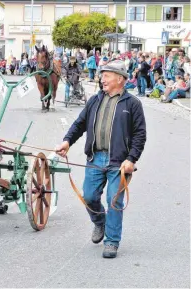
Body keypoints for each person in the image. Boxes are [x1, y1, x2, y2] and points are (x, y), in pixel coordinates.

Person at [56, 60, 147, 259]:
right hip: (95, 158)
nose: (102, 79)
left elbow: (140, 135)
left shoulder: (132, 104)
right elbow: (80, 124)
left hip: (119, 161)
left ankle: (112, 241)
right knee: (89, 197)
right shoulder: (95, 100)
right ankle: (99, 222)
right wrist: (67, 141)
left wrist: (131, 159)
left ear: (120, 79)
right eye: (102, 75)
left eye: (106, 75)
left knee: (114, 201)